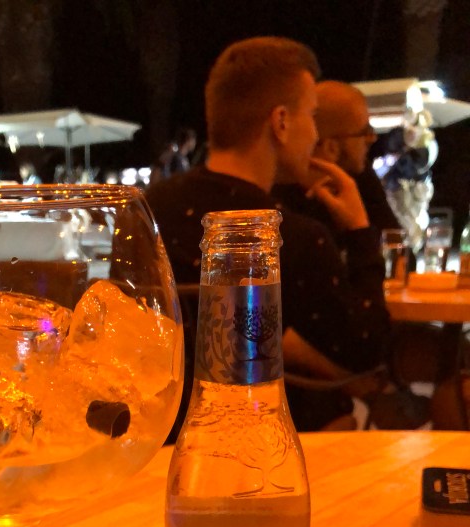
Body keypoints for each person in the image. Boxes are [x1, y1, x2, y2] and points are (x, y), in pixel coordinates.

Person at [145, 37, 393, 436]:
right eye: (311, 115)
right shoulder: (288, 237)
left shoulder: (150, 210)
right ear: (281, 122)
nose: (314, 133)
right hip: (270, 441)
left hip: (157, 435)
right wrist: (360, 232)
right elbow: (367, 355)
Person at [274, 80, 401, 235]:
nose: (372, 138)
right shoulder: (281, 207)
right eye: (364, 131)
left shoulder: (362, 179)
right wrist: (358, 227)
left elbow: (396, 243)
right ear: (331, 147)